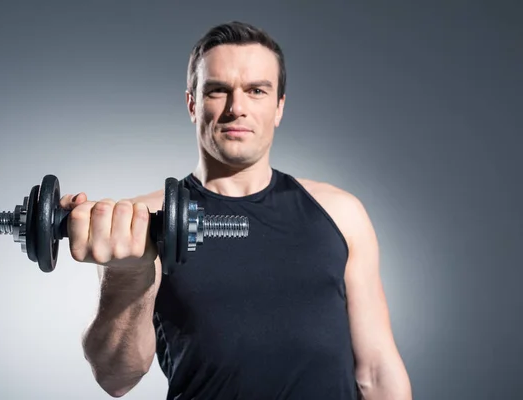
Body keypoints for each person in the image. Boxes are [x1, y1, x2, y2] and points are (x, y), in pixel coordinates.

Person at [59, 21, 412, 399]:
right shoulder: (142, 222)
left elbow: (377, 369)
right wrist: (129, 276)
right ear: (193, 104)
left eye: (256, 91)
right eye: (217, 91)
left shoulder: (341, 213)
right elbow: (116, 377)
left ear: (279, 107)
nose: (236, 108)